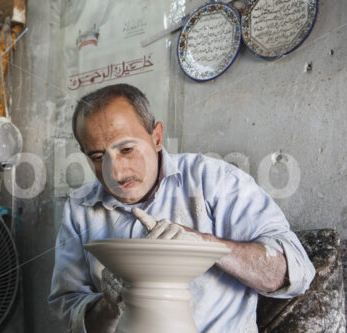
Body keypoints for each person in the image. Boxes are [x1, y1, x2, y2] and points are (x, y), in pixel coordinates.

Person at [49, 83, 315, 332]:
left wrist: (207, 246)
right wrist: (108, 306)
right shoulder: (80, 208)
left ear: (156, 137)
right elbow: (67, 308)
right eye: (97, 157)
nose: (115, 172)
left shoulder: (214, 180)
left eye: (127, 149)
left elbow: (296, 273)